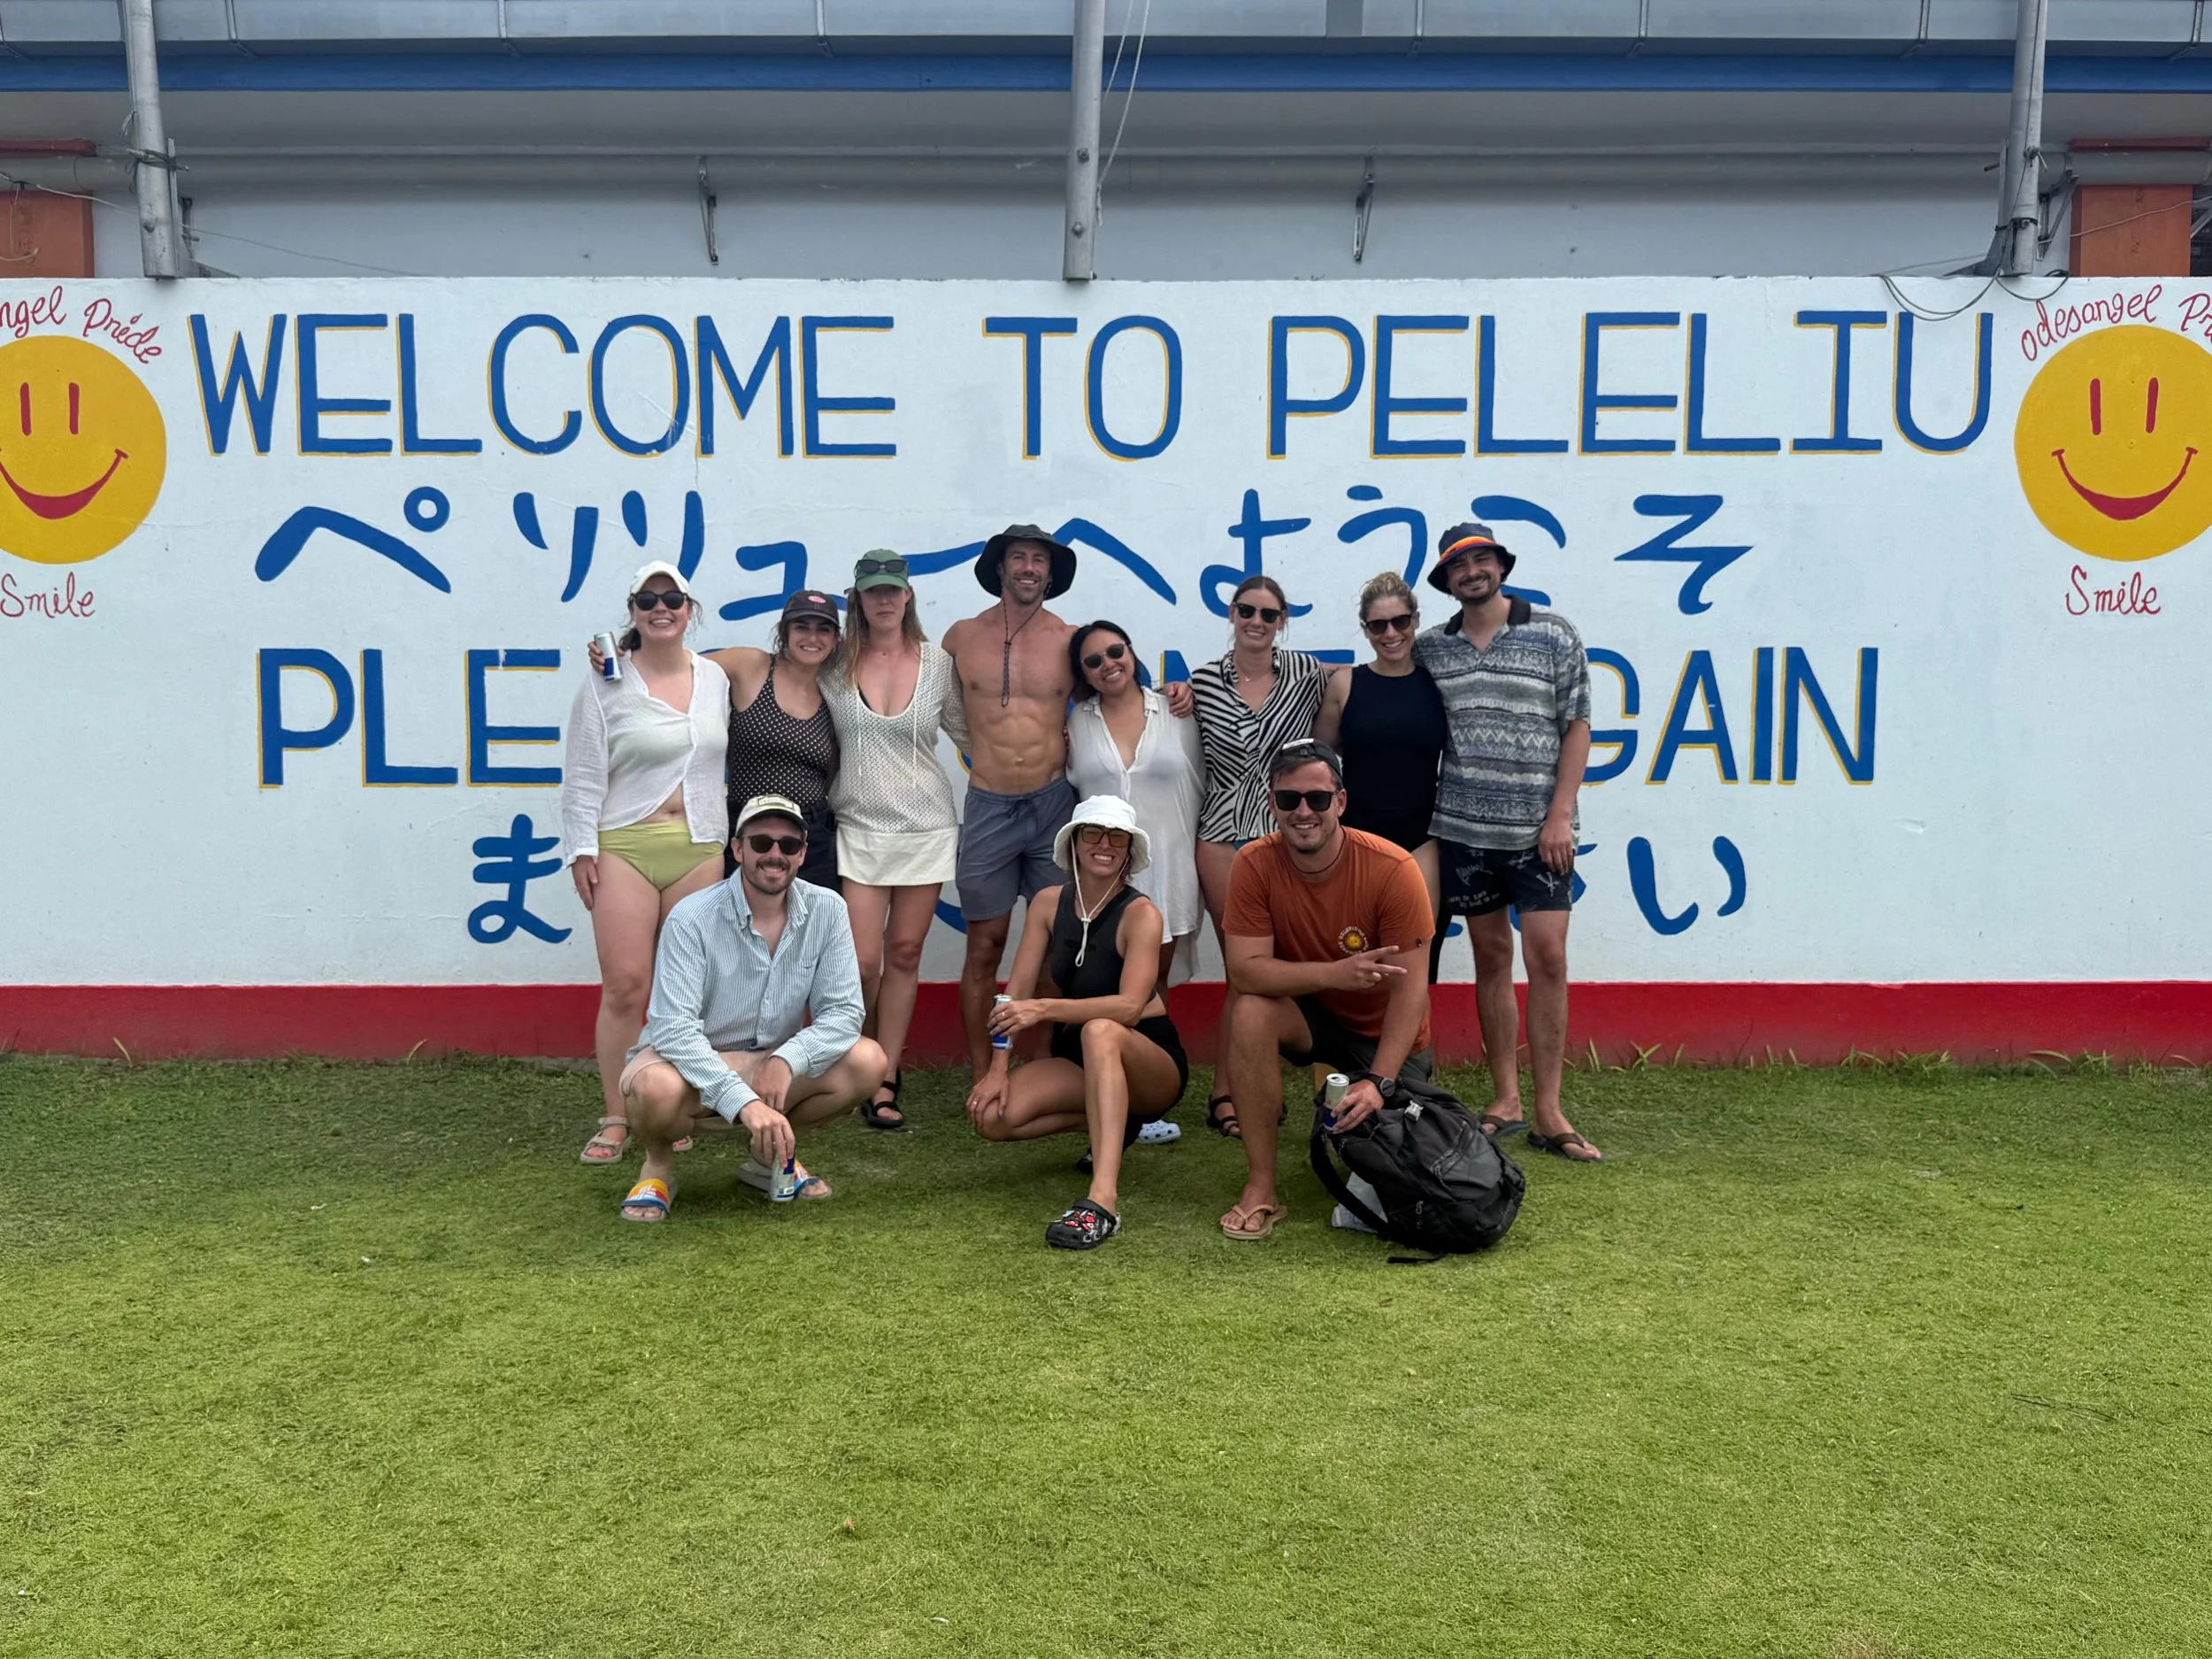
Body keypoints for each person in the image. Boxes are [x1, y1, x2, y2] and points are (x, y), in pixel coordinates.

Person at [1416, 521, 1601, 1164]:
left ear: (1500, 564)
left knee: (1548, 957)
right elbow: (1379, 678)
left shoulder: (1553, 632)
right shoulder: (1431, 647)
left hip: (1539, 834)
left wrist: (1560, 814)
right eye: (1459, 566)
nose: (1472, 572)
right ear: (1447, 580)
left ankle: (1550, 1109)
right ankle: (1506, 1099)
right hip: (1464, 830)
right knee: (1492, 960)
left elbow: (1576, 725)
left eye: (1482, 559)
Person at [614, 795, 888, 1222]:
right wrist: (743, 1100)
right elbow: (673, 1031)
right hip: (690, 1062)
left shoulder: (829, 908)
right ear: (738, 849)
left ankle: (769, 1159)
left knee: (869, 1060)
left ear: (802, 855)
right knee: (655, 1090)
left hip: (771, 1060)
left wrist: (787, 1058)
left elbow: (844, 1014)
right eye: (761, 843)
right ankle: (659, 1167)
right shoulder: (692, 917)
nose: (774, 855)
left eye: (788, 845)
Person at [1217, 740, 1435, 1241]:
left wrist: (1380, 1082)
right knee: (1250, 1011)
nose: (1303, 812)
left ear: (1340, 801)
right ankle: (1261, 1186)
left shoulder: (1394, 869)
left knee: (1395, 1160)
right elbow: (1245, 973)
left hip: (1384, 1036)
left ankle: (1365, 1099)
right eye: (1288, 799)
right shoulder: (1252, 862)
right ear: (1271, 803)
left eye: (1317, 799)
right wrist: (1335, 974)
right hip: (1310, 1016)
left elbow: (1411, 993)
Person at [560, 561, 731, 1165]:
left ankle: (670, 1103)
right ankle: (615, 1112)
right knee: (627, 984)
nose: (662, 608)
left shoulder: (715, 678)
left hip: (700, 844)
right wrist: (581, 848)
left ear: (690, 609)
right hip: (625, 844)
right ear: (632, 611)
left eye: (673, 599)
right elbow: (583, 773)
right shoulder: (607, 682)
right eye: (648, 599)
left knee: (683, 990)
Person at [965, 795, 1190, 1250]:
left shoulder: (1141, 913)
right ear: (1073, 843)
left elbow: (1128, 1008)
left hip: (1150, 1059)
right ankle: (1116, 1122)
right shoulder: (1048, 903)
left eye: (1117, 837)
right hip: (1082, 1055)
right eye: (1093, 833)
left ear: (1129, 851)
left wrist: (1045, 1010)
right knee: (991, 1117)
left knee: (1102, 1028)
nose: (1104, 845)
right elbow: (1015, 994)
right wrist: (996, 1071)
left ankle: (1102, 1202)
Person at [818, 550, 970, 1132]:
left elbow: (972, 727)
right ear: (857, 598)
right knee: (861, 963)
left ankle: (885, 1074)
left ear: (908, 596)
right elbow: (772, 678)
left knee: (905, 953)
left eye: (893, 590)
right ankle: (861, 1061)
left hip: (926, 825)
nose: (884, 600)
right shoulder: (832, 663)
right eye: (872, 591)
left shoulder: (938, 663)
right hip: (857, 824)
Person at [1188, 572, 1328, 1139]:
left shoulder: (1308, 674)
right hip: (1222, 833)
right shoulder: (1200, 683)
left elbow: (1347, 703)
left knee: (1284, 964)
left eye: (1268, 614)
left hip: (1287, 833)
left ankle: (1273, 1086)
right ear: (1232, 614)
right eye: (1247, 611)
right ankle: (1228, 1094)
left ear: (1282, 622)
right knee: (1242, 971)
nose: (1256, 622)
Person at [1315, 569, 1449, 973]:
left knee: (1417, 958)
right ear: (1366, 630)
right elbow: (1321, 757)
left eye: (1400, 621)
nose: (1391, 633)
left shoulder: (1438, 683)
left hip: (1422, 838)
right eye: (1378, 625)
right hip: (1356, 838)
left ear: (1416, 621)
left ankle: (1414, 1040)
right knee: (1355, 954)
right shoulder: (1346, 684)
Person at [1064, 618, 1205, 987]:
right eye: (1093, 661)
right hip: (1101, 875)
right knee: (1096, 980)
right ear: (1084, 674)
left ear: (1131, 652)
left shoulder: (1180, 713)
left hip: (1168, 871)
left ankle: (1153, 1048)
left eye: (1115, 652)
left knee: (1154, 985)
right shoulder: (1077, 722)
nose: (1108, 664)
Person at [709, 589, 843, 894]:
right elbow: (681, 670)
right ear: (784, 631)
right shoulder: (752, 666)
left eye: (823, 629)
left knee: (810, 935)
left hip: (809, 838)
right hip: (746, 831)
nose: (812, 637)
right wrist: (622, 655)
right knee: (737, 932)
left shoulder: (833, 694)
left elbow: (833, 770)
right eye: (802, 627)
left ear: (836, 640)